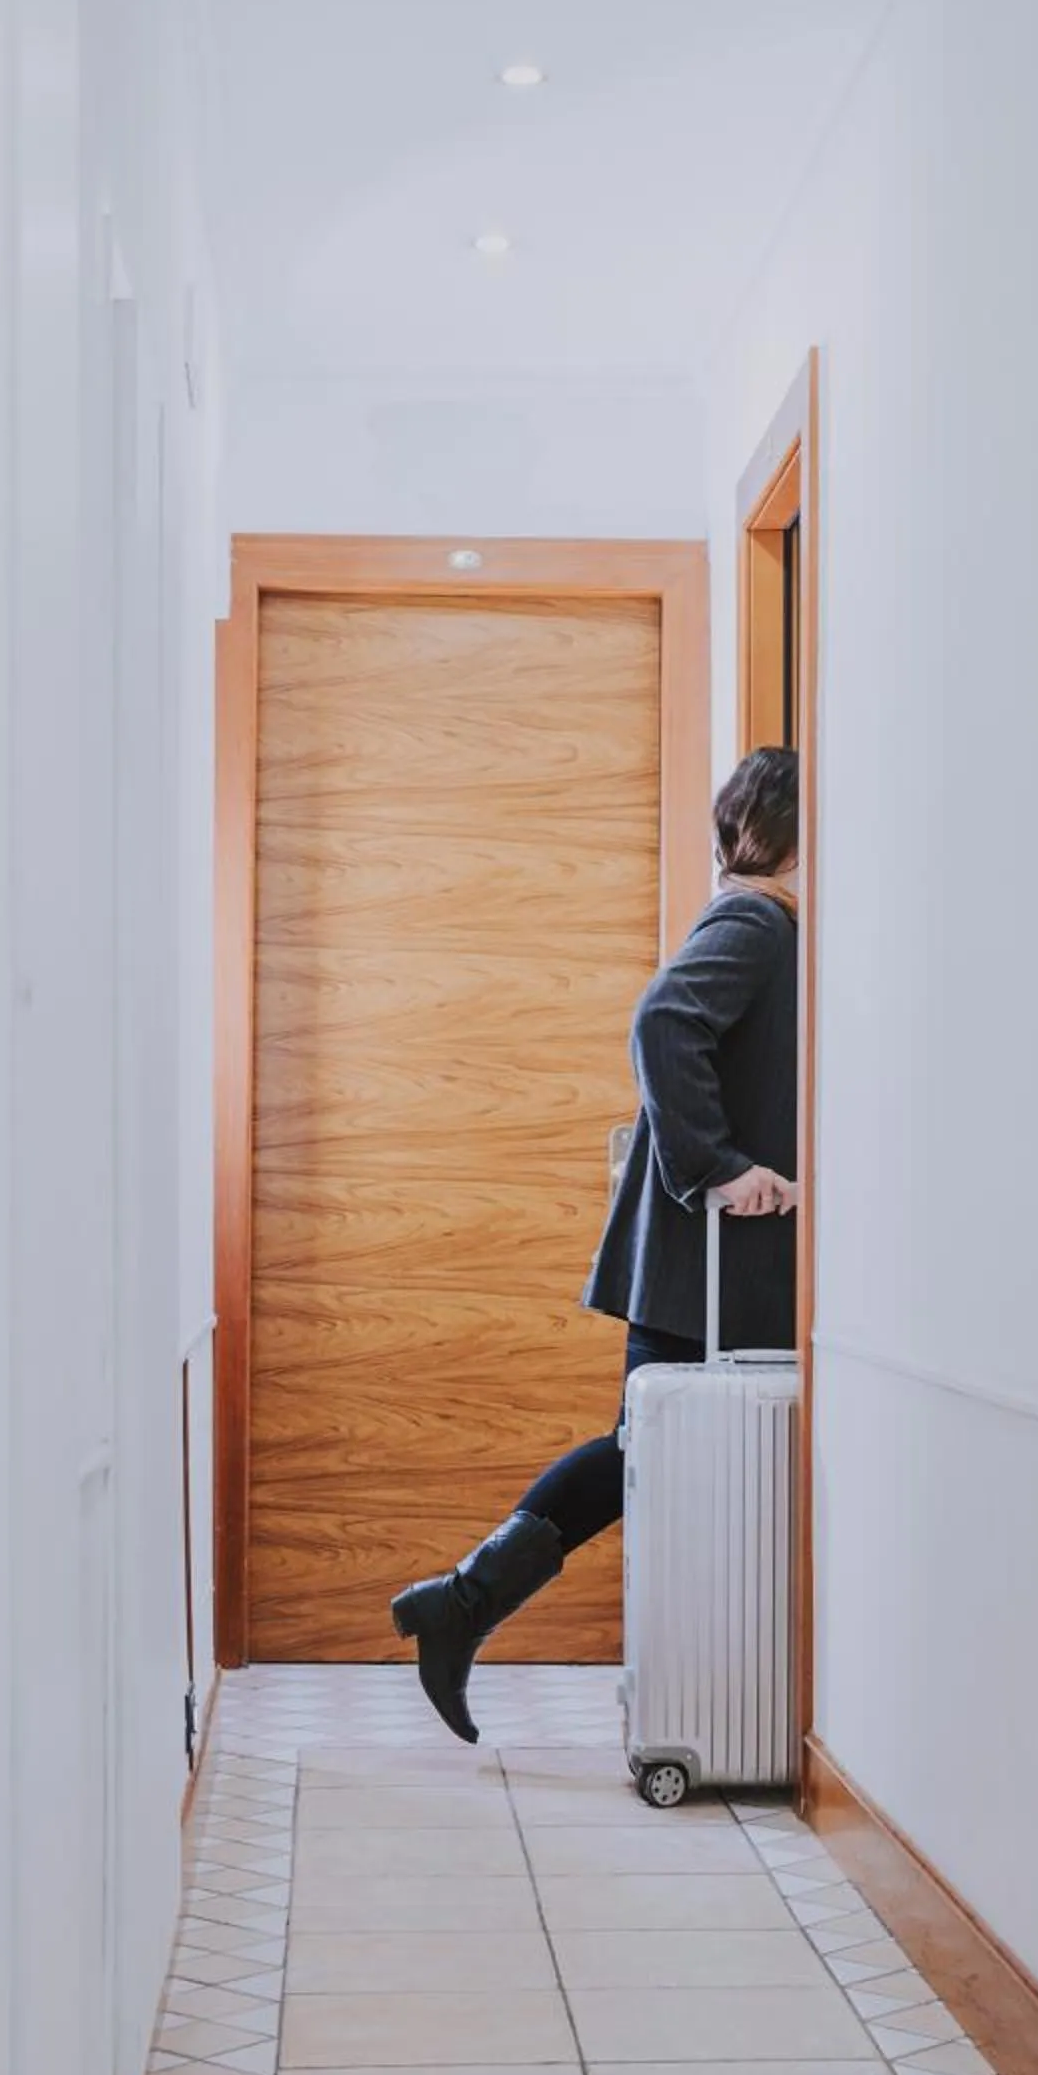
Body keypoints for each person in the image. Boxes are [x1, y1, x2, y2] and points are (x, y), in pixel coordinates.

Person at [392, 744, 801, 1743]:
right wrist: (719, 1166)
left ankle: (460, 1604)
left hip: (704, 1270)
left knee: (642, 1453)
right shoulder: (755, 922)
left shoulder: (773, 926)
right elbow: (662, 1022)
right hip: (704, 1269)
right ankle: (461, 1604)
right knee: (644, 1452)